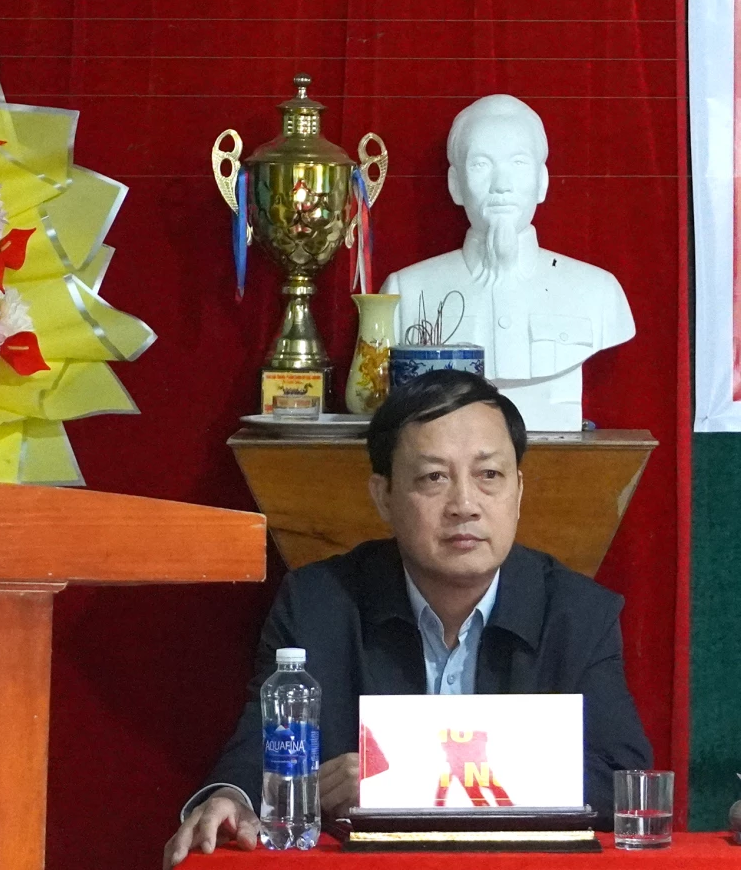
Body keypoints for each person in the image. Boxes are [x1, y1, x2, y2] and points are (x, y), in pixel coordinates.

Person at [162, 369, 651, 866]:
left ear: (519, 491)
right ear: (384, 496)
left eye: (489, 475)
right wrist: (232, 796)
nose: (465, 505)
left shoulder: (578, 613)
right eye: (434, 477)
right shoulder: (318, 603)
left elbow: (621, 780)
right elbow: (265, 743)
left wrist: (403, 782)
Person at [381, 95, 634, 431]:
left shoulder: (599, 292)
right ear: (455, 185)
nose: (501, 185)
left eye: (518, 163)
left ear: (542, 182)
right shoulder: (406, 291)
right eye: (481, 164)